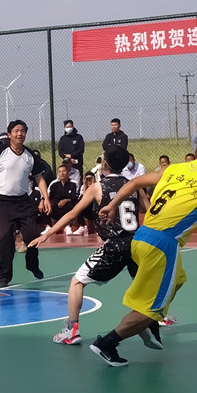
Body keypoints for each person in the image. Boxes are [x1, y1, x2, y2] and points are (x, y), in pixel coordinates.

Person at [92, 132, 197, 367]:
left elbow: (133, 183)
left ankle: (149, 324)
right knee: (149, 309)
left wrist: (112, 205)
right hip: (162, 245)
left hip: (142, 236)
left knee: (178, 279)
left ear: (195, 152)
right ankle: (107, 343)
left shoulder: (173, 169)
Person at [31, 146, 159, 348]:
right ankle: (149, 322)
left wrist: (47, 233)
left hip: (115, 245)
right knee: (141, 285)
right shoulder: (134, 185)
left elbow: (72, 214)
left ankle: (71, 330)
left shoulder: (98, 187)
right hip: (137, 243)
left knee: (77, 281)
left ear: (104, 163)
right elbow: (150, 212)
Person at [0, 120, 51, 288]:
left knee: (32, 236)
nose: (19, 134)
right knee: (6, 237)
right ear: (9, 134)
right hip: (2, 202)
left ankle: (32, 265)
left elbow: (39, 177)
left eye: (22, 131)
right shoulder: (0, 152)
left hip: (23, 202)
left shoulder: (30, 155)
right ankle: (4, 276)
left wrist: (46, 197)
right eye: (16, 131)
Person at [47, 164, 79, 234]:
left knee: (70, 204)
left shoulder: (73, 184)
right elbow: (51, 197)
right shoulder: (54, 184)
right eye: (60, 172)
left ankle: (68, 225)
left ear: (68, 172)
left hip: (68, 205)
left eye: (63, 171)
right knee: (48, 205)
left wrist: (65, 200)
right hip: (57, 205)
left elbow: (74, 197)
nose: (62, 173)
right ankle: (50, 225)